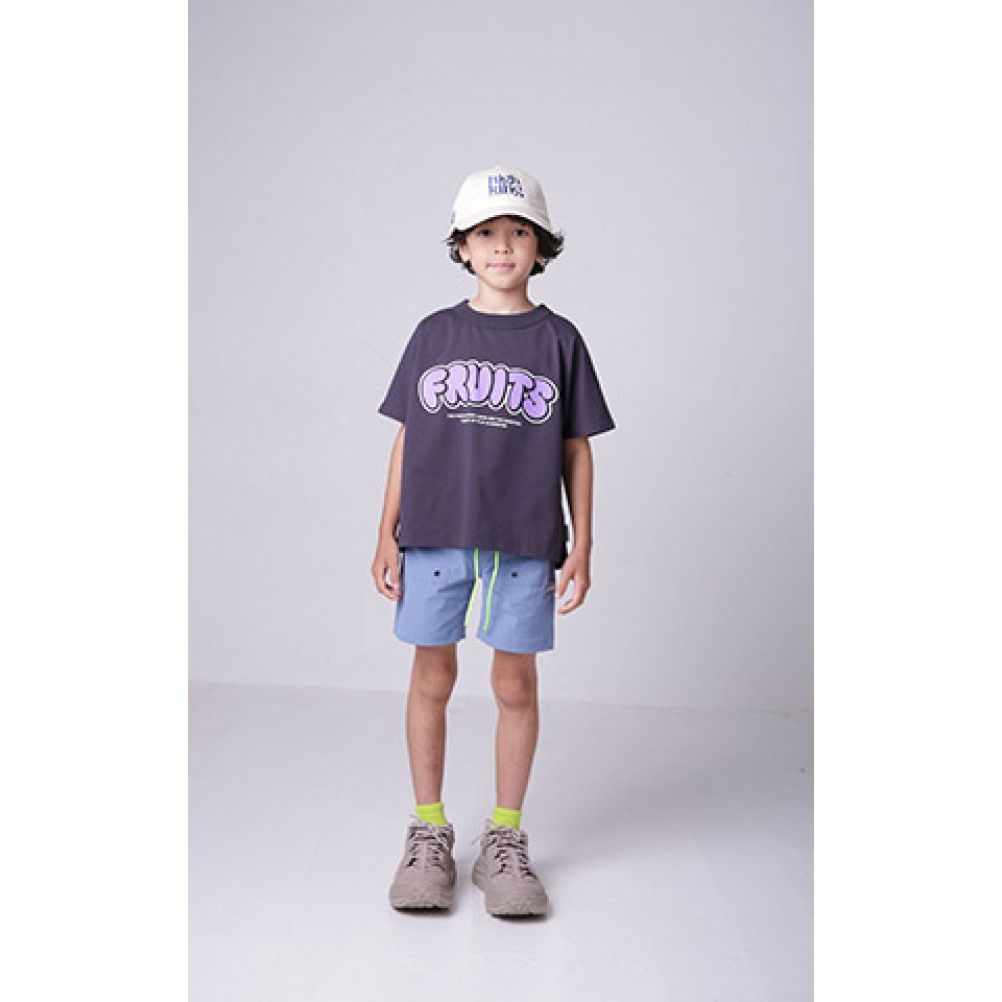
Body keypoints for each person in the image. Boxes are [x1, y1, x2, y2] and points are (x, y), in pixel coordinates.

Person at [372, 164, 615, 916]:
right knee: (432, 677)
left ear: (540, 247)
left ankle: (505, 838)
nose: (502, 246)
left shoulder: (559, 340)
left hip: (524, 536)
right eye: (486, 233)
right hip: (436, 531)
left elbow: (577, 448)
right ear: (463, 247)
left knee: (514, 684)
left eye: (518, 232)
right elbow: (408, 438)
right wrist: (385, 530)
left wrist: (582, 544)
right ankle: (429, 831)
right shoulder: (434, 333)